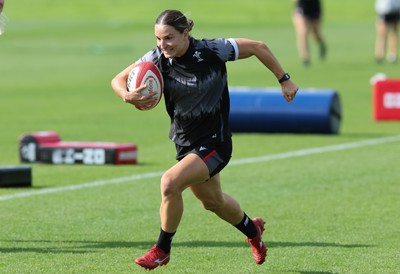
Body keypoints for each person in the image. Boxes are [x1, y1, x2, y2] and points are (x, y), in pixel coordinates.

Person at [111, 9, 299, 270]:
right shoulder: (157, 58)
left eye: (168, 38)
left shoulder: (211, 50)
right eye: (157, 39)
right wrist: (127, 95)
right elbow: (118, 79)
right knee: (213, 202)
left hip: (215, 142)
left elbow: (257, 47)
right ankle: (252, 230)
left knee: (170, 183)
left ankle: (162, 249)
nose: (162, 45)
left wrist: (284, 79)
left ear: (185, 33)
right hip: (185, 143)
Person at [292, 0, 326, 67]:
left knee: (315, 33)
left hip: (314, 6)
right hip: (302, 7)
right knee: (303, 32)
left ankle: (322, 45)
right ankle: (305, 58)